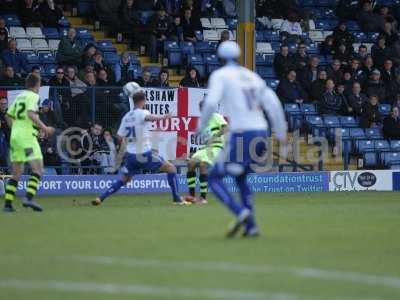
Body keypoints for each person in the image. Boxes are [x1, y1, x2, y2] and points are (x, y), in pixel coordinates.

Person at [198, 41, 287, 237]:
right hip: (262, 133)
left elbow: (211, 102)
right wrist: (281, 133)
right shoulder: (252, 76)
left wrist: (200, 126)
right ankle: (251, 227)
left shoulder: (220, 75)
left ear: (220, 58)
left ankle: (241, 213)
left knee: (213, 177)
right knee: (241, 177)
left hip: (243, 134)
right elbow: (273, 104)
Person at [92, 89, 189, 206]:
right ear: (142, 101)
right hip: (144, 153)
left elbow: (119, 136)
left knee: (124, 179)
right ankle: (176, 198)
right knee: (171, 168)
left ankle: (100, 198)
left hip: (131, 155)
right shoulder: (142, 112)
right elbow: (149, 118)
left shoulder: (126, 116)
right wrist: (164, 117)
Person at [3, 74, 55, 212]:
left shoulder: (20, 96)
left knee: (17, 173)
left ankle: (8, 205)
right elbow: (31, 114)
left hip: (15, 137)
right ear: (37, 85)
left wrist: (16, 129)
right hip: (27, 138)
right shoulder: (33, 96)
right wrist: (45, 128)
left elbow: (7, 115)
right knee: (38, 170)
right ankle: (28, 198)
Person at [184, 99, 227, 204]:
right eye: (201, 108)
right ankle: (192, 196)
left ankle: (203, 198)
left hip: (217, 147)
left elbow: (226, 128)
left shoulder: (216, 116)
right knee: (191, 163)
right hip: (206, 148)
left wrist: (215, 136)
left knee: (203, 165)